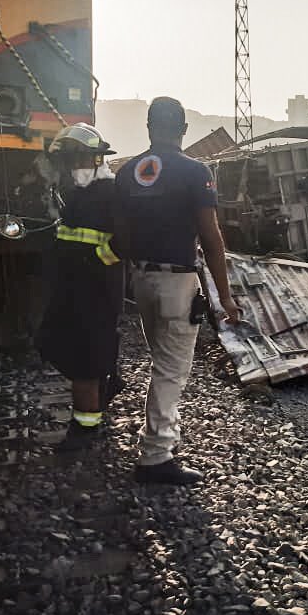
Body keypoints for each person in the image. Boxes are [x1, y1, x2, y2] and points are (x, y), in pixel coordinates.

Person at [114, 97, 242, 485]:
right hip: (176, 280)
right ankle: (155, 456)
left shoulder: (127, 172)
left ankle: (162, 440)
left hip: (142, 279)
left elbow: (119, 235)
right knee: (171, 370)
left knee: (161, 361)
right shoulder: (194, 171)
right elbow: (211, 237)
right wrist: (225, 295)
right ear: (184, 130)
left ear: (149, 127)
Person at [35, 123, 124, 450]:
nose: (75, 168)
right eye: (70, 161)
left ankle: (85, 428)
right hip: (74, 288)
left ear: (98, 160)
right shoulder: (78, 194)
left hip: (96, 290)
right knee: (55, 343)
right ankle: (105, 384)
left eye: (81, 160)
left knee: (85, 361)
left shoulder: (111, 194)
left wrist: (98, 261)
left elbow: (127, 240)